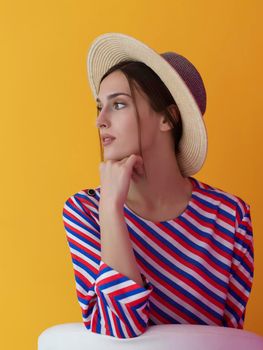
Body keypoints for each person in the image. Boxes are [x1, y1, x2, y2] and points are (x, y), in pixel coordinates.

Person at [62, 33, 254, 339]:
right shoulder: (84, 211)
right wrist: (111, 209)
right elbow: (116, 331)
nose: (100, 120)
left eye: (119, 105)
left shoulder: (231, 218)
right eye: (100, 106)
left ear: (167, 117)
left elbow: (229, 342)